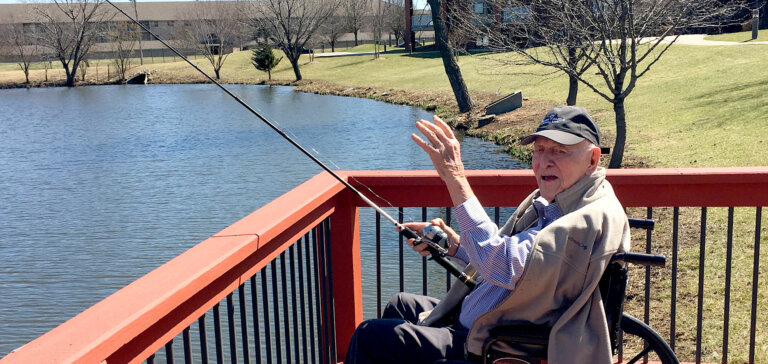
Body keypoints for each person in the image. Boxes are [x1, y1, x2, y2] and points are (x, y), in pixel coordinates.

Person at [344, 106, 630, 364]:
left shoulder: (580, 221)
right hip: (491, 321)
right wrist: (455, 246)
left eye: (559, 151)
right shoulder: (569, 201)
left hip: (495, 347)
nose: (544, 162)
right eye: (539, 150)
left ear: (593, 159)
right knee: (400, 304)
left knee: (371, 336)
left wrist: (454, 176)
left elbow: (503, 264)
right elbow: (524, 265)